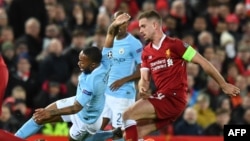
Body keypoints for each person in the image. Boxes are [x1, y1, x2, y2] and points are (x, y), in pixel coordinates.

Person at [122, 10, 240, 141]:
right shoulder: (146, 52)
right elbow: (144, 78)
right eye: (139, 27)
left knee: (127, 115)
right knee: (133, 133)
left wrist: (223, 84)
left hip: (173, 97)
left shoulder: (176, 45)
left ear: (155, 25)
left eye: (143, 26)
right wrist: (143, 88)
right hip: (162, 98)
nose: (140, 30)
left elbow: (203, 62)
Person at [14, 47, 110, 141]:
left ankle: (110, 135)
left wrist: (50, 113)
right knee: (39, 117)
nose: (78, 63)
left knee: (70, 138)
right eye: (79, 60)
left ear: (93, 64)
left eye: (82, 62)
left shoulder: (92, 83)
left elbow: (76, 108)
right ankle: (13, 139)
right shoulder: (105, 61)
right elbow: (109, 42)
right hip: (79, 101)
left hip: (87, 119)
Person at [85, 11, 142, 141]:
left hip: (123, 94)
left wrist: (122, 81)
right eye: (118, 23)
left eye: (124, 23)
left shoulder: (134, 44)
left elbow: (141, 70)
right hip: (106, 93)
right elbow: (109, 61)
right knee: (96, 128)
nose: (121, 26)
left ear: (128, 24)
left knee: (119, 132)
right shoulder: (110, 42)